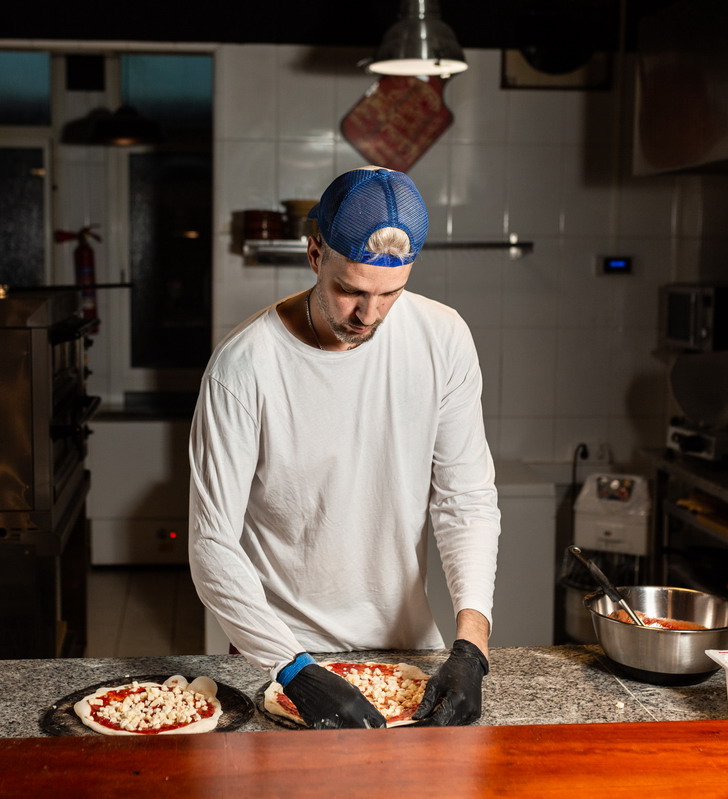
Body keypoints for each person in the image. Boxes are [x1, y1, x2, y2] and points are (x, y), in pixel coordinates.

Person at [188, 166, 500, 729]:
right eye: (350, 290)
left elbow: (466, 499)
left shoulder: (443, 337)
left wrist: (471, 645)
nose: (369, 315)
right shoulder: (243, 367)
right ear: (314, 255)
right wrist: (293, 668)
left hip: (406, 650)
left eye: (390, 294)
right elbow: (212, 543)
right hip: (279, 655)